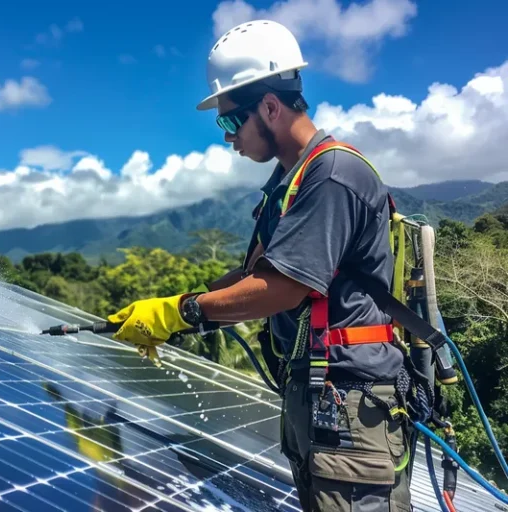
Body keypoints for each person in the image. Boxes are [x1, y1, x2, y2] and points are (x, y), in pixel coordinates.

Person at [106, 20, 412, 512]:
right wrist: (173, 308)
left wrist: (182, 315)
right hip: (319, 398)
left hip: (353, 402)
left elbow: (281, 288)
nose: (227, 138)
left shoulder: (331, 175)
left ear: (270, 107)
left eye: (231, 121)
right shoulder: (286, 183)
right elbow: (254, 275)